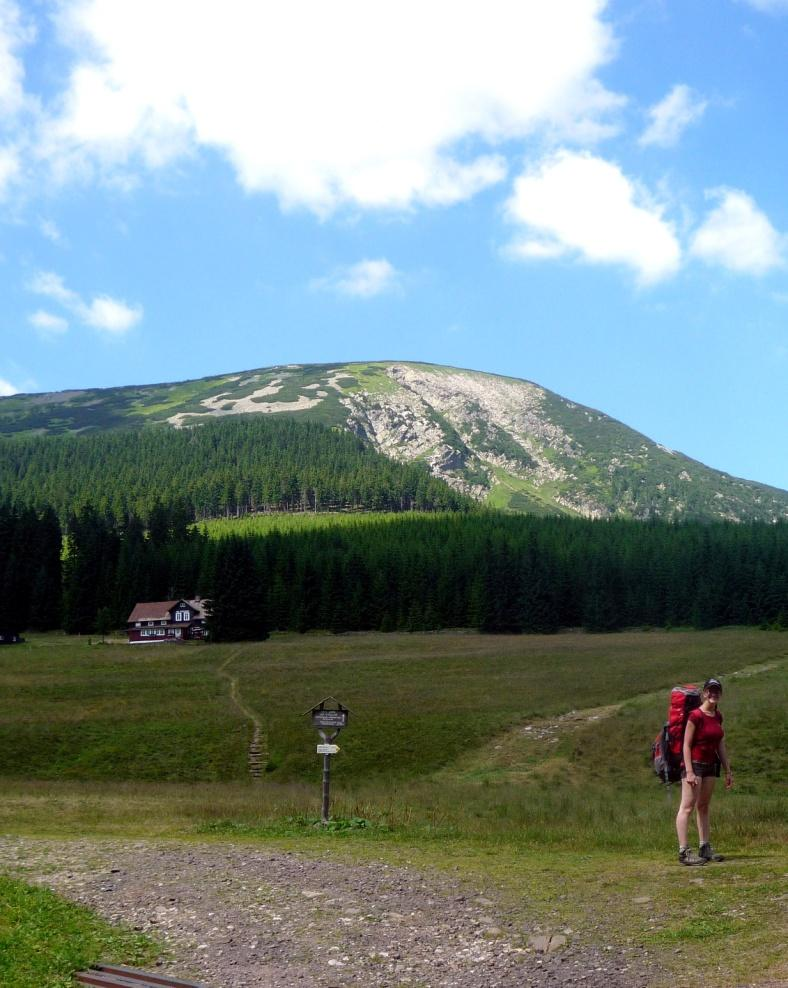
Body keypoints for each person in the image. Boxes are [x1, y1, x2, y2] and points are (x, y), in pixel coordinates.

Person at [675, 677, 733, 865]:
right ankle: (684, 852)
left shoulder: (718, 716)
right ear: (704, 693)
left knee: (704, 807)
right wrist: (690, 772)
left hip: (710, 766)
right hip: (695, 765)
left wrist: (727, 770)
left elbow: (721, 744)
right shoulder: (695, 716)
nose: (713, 694)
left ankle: (705, 847)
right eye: (710, 690)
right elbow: (686, 745)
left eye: (717, 691)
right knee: (687, 807)